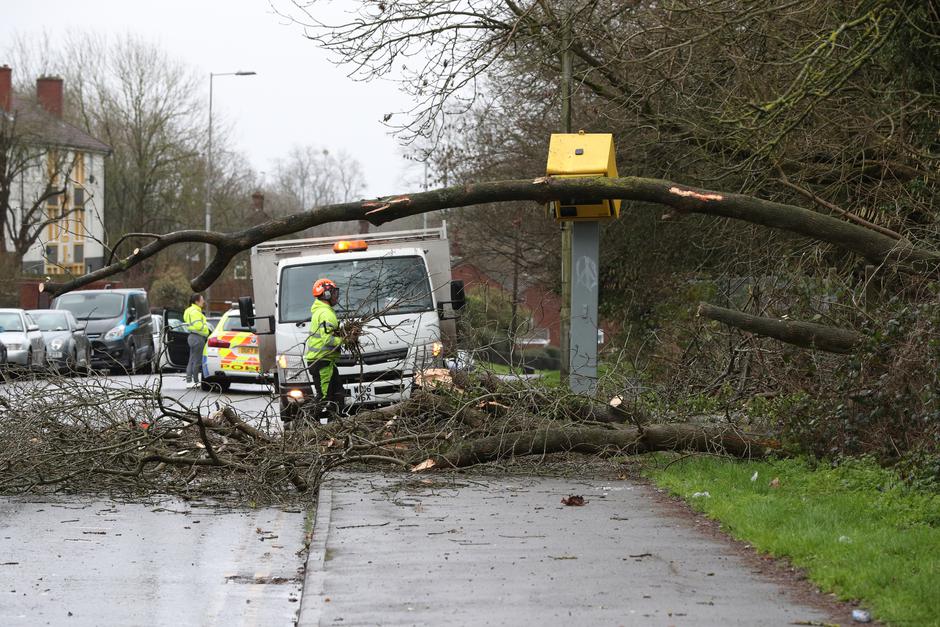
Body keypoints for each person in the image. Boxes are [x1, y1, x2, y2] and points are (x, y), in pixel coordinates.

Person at [304, 278, 344, 417]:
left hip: (327, 361)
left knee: (338, 395)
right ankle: (304, 425)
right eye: (333, 292)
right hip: (322, 361)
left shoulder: (323, 310)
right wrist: (345, 339)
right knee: (324, 397)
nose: (336, 296)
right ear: (325, 294)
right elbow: (328, 339)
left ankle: (336, 426)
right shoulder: (325, 313)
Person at [183, 293, 210, 388]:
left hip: (192, 336)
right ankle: (194, 381)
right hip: (198, 337)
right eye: (202, 299)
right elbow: (199, 326)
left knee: (192, 359)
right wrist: (206, 327)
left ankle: (190, 380)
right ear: (197, 301)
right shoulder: (195, 312)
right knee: (197, 360)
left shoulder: (189, 310)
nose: (203, 301)